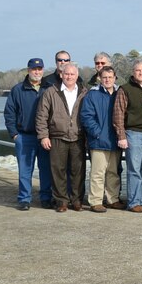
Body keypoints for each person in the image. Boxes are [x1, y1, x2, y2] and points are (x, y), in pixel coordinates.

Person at [35, 62, 88, 212]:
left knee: (78, 171)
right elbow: (41, 115)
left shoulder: (84, 92)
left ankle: (77, 200)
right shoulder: (51, 92)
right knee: (58, 170)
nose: (69, 76)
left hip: (78, 137)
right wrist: (43, 136)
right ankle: (61, 201)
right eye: (66, 74)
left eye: (72, 74)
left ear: (77, 75)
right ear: (61, 75)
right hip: (57, 136)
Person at [4, 58, 53, 210]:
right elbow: (9, 113)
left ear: (43, 70)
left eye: (39, 69)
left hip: (45, 136)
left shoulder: (50, 88)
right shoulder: (18, 90)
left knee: (46, 169)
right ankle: (24, 199)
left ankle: (46, 198)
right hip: (25, 136)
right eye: (34, 69)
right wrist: (14, 134)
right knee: (25, 170)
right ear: (28, 70)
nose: (37, 72)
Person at [113, 60, 142, 213]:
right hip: (133, 133)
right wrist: (121, 136)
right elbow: (118, 114)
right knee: (134, 170)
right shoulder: (125, 89)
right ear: (133, 71)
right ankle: (134, 201)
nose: (141, 73)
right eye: (138, 70)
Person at [80, 66, 122, 213]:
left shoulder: (119, 93)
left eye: (110, 77)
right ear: (99, 78)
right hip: (98, 141)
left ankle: (113, 199)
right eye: (104, 77)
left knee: (113, 172)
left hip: (115, 140)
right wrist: (97, 133)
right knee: (97, 173)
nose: (107, 80)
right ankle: (96, 201)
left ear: (115, 78)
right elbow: (86, 116)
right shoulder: (93, 95)